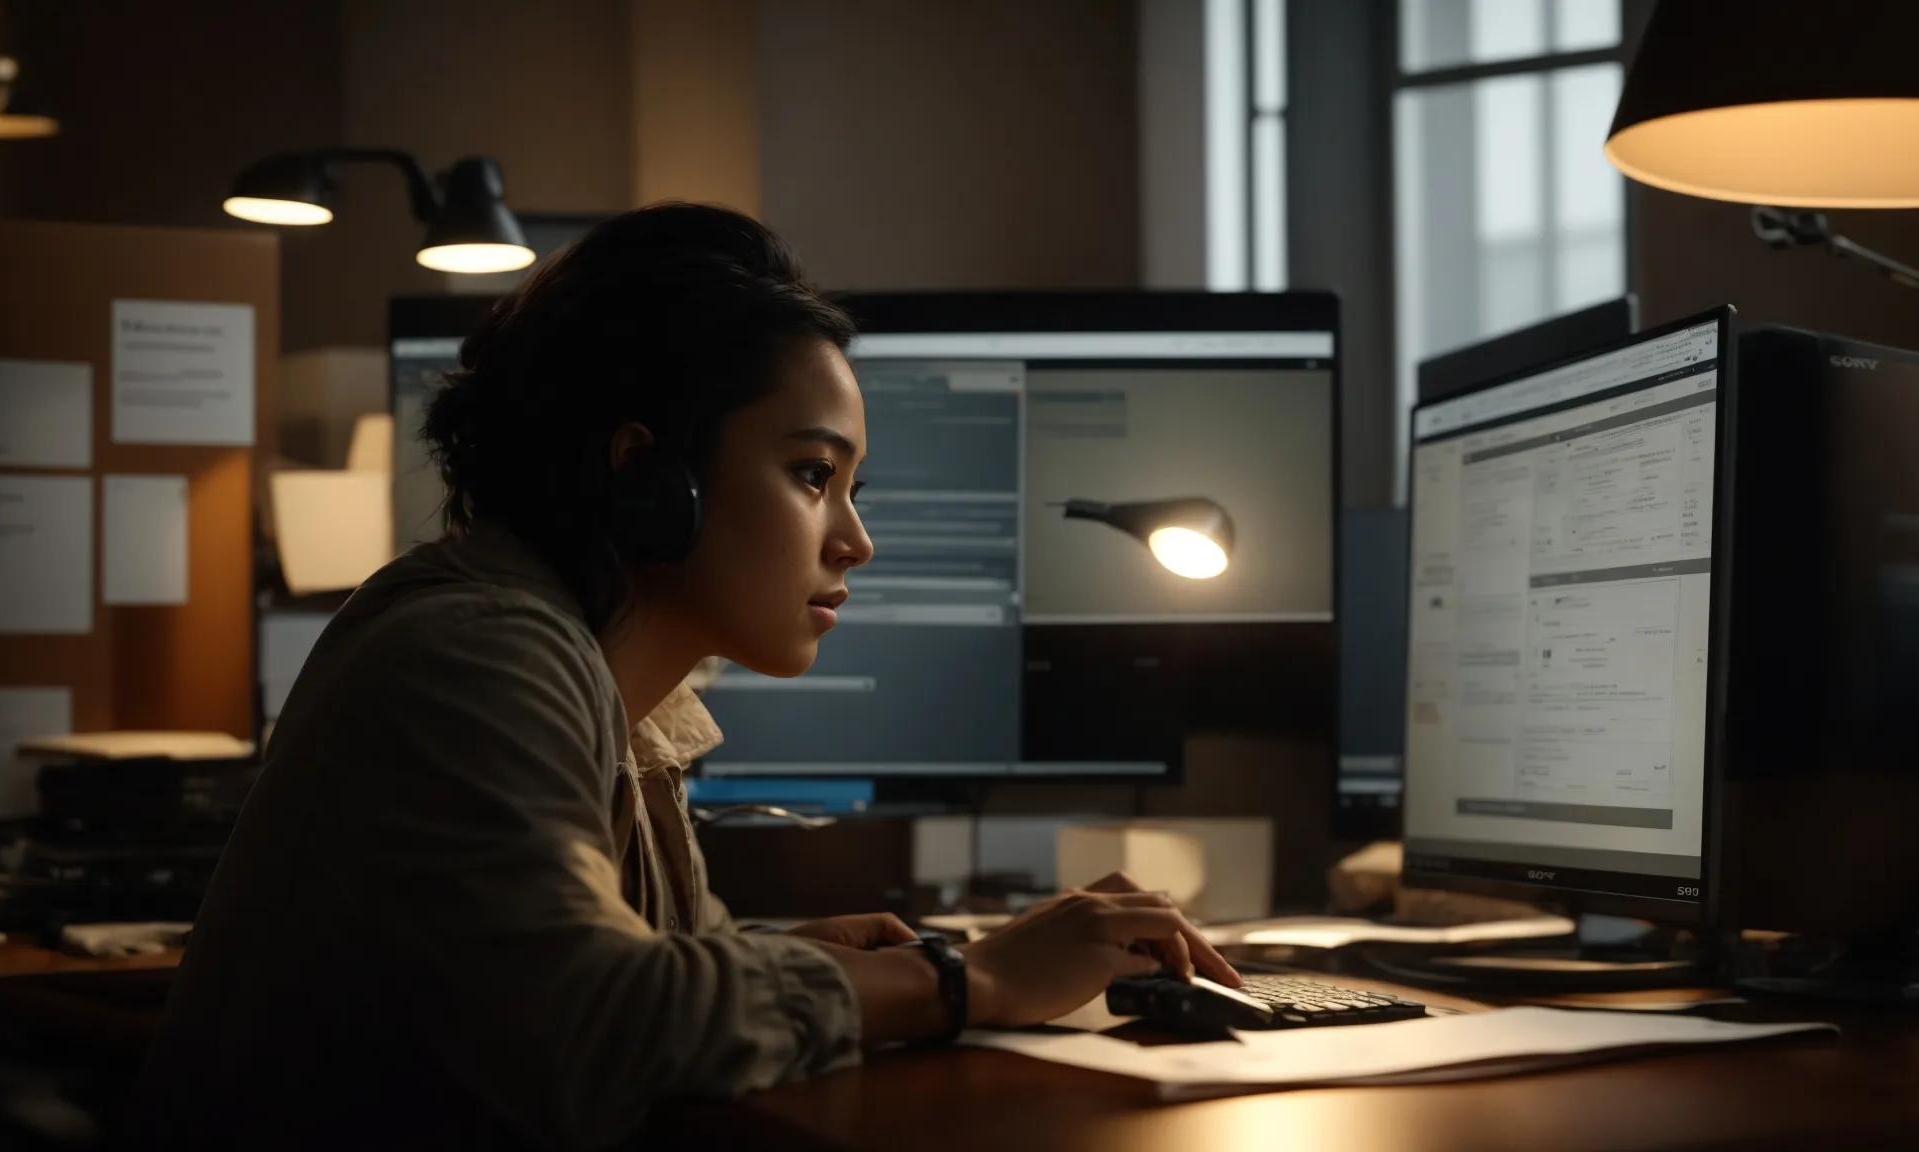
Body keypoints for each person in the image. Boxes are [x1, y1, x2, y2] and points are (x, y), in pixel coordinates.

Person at [135, 203, 1240, 1150]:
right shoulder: (477, 658)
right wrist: (971, 982)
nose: (854, 540)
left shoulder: (611, 687)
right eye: (813, 474)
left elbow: (591, 977)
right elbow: (594, 1027)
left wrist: (753, 963)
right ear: (645, 472)